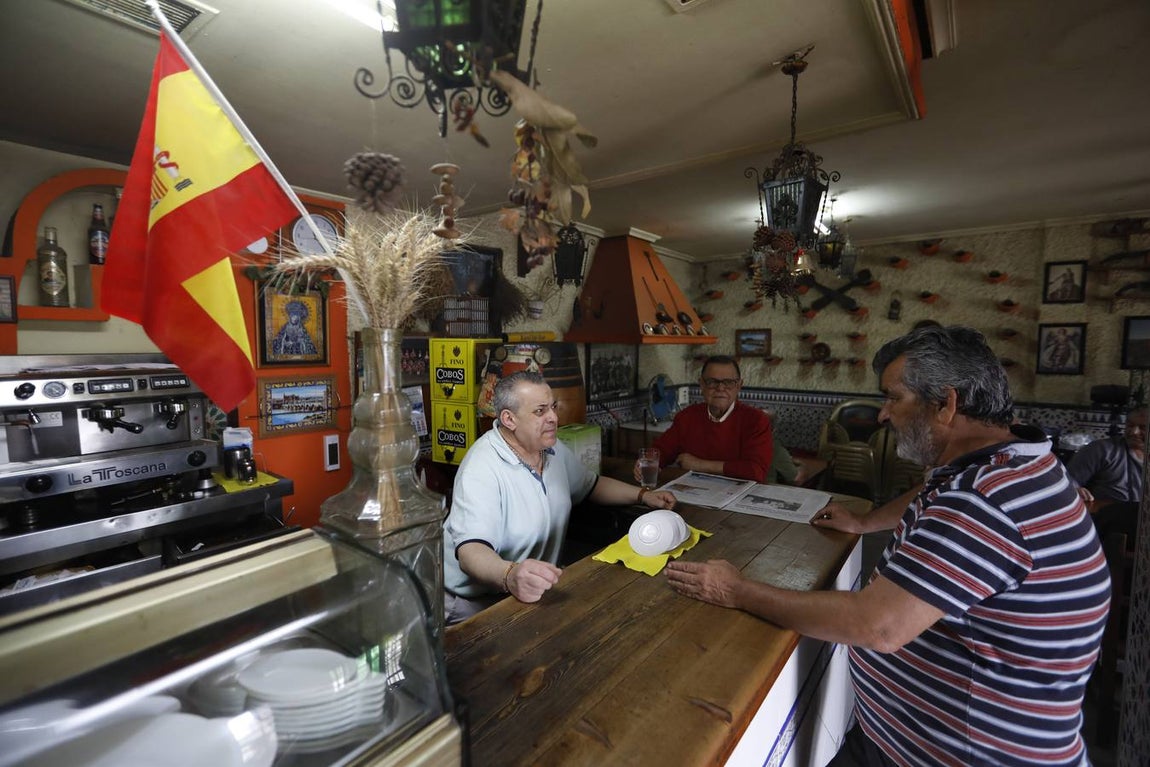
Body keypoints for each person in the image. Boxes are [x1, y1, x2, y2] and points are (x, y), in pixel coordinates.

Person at [665, 325, 1110, 766]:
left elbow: (877, 626)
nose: (883, 414)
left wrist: (735, 590)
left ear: (946, 404)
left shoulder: (986, 500)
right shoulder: (1010, 461)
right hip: (910, 737)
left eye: (893, 398)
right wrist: (865, 520)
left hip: (964, 753)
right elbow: (931, 493)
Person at [444, 371, 676, 625]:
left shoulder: (550, 450)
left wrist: (643, 495)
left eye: (553, 407)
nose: (553, 417)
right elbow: (471, 551)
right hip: (474, 602)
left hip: (528, 591)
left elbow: (591, 485)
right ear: (509, 419)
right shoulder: (481, 467)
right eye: (540, 411)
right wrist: (510, 575)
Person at [638, 355, 774, 482]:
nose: (720, 388)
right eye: (712, 382)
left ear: (738, 386)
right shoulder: (687, 416)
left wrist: (699, 465)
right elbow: (662, 450)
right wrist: (645, 462)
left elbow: (756, 471)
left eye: (728, 382)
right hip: (693, 493)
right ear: (702, 385)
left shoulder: (756, 420)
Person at [1068, 406, 1146, 540]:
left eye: (1143, 427)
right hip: (1108, 527)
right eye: (1130, 425)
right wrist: (1075, 489)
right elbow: (1066, 481)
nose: (1134, 432)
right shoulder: (1101, 450)